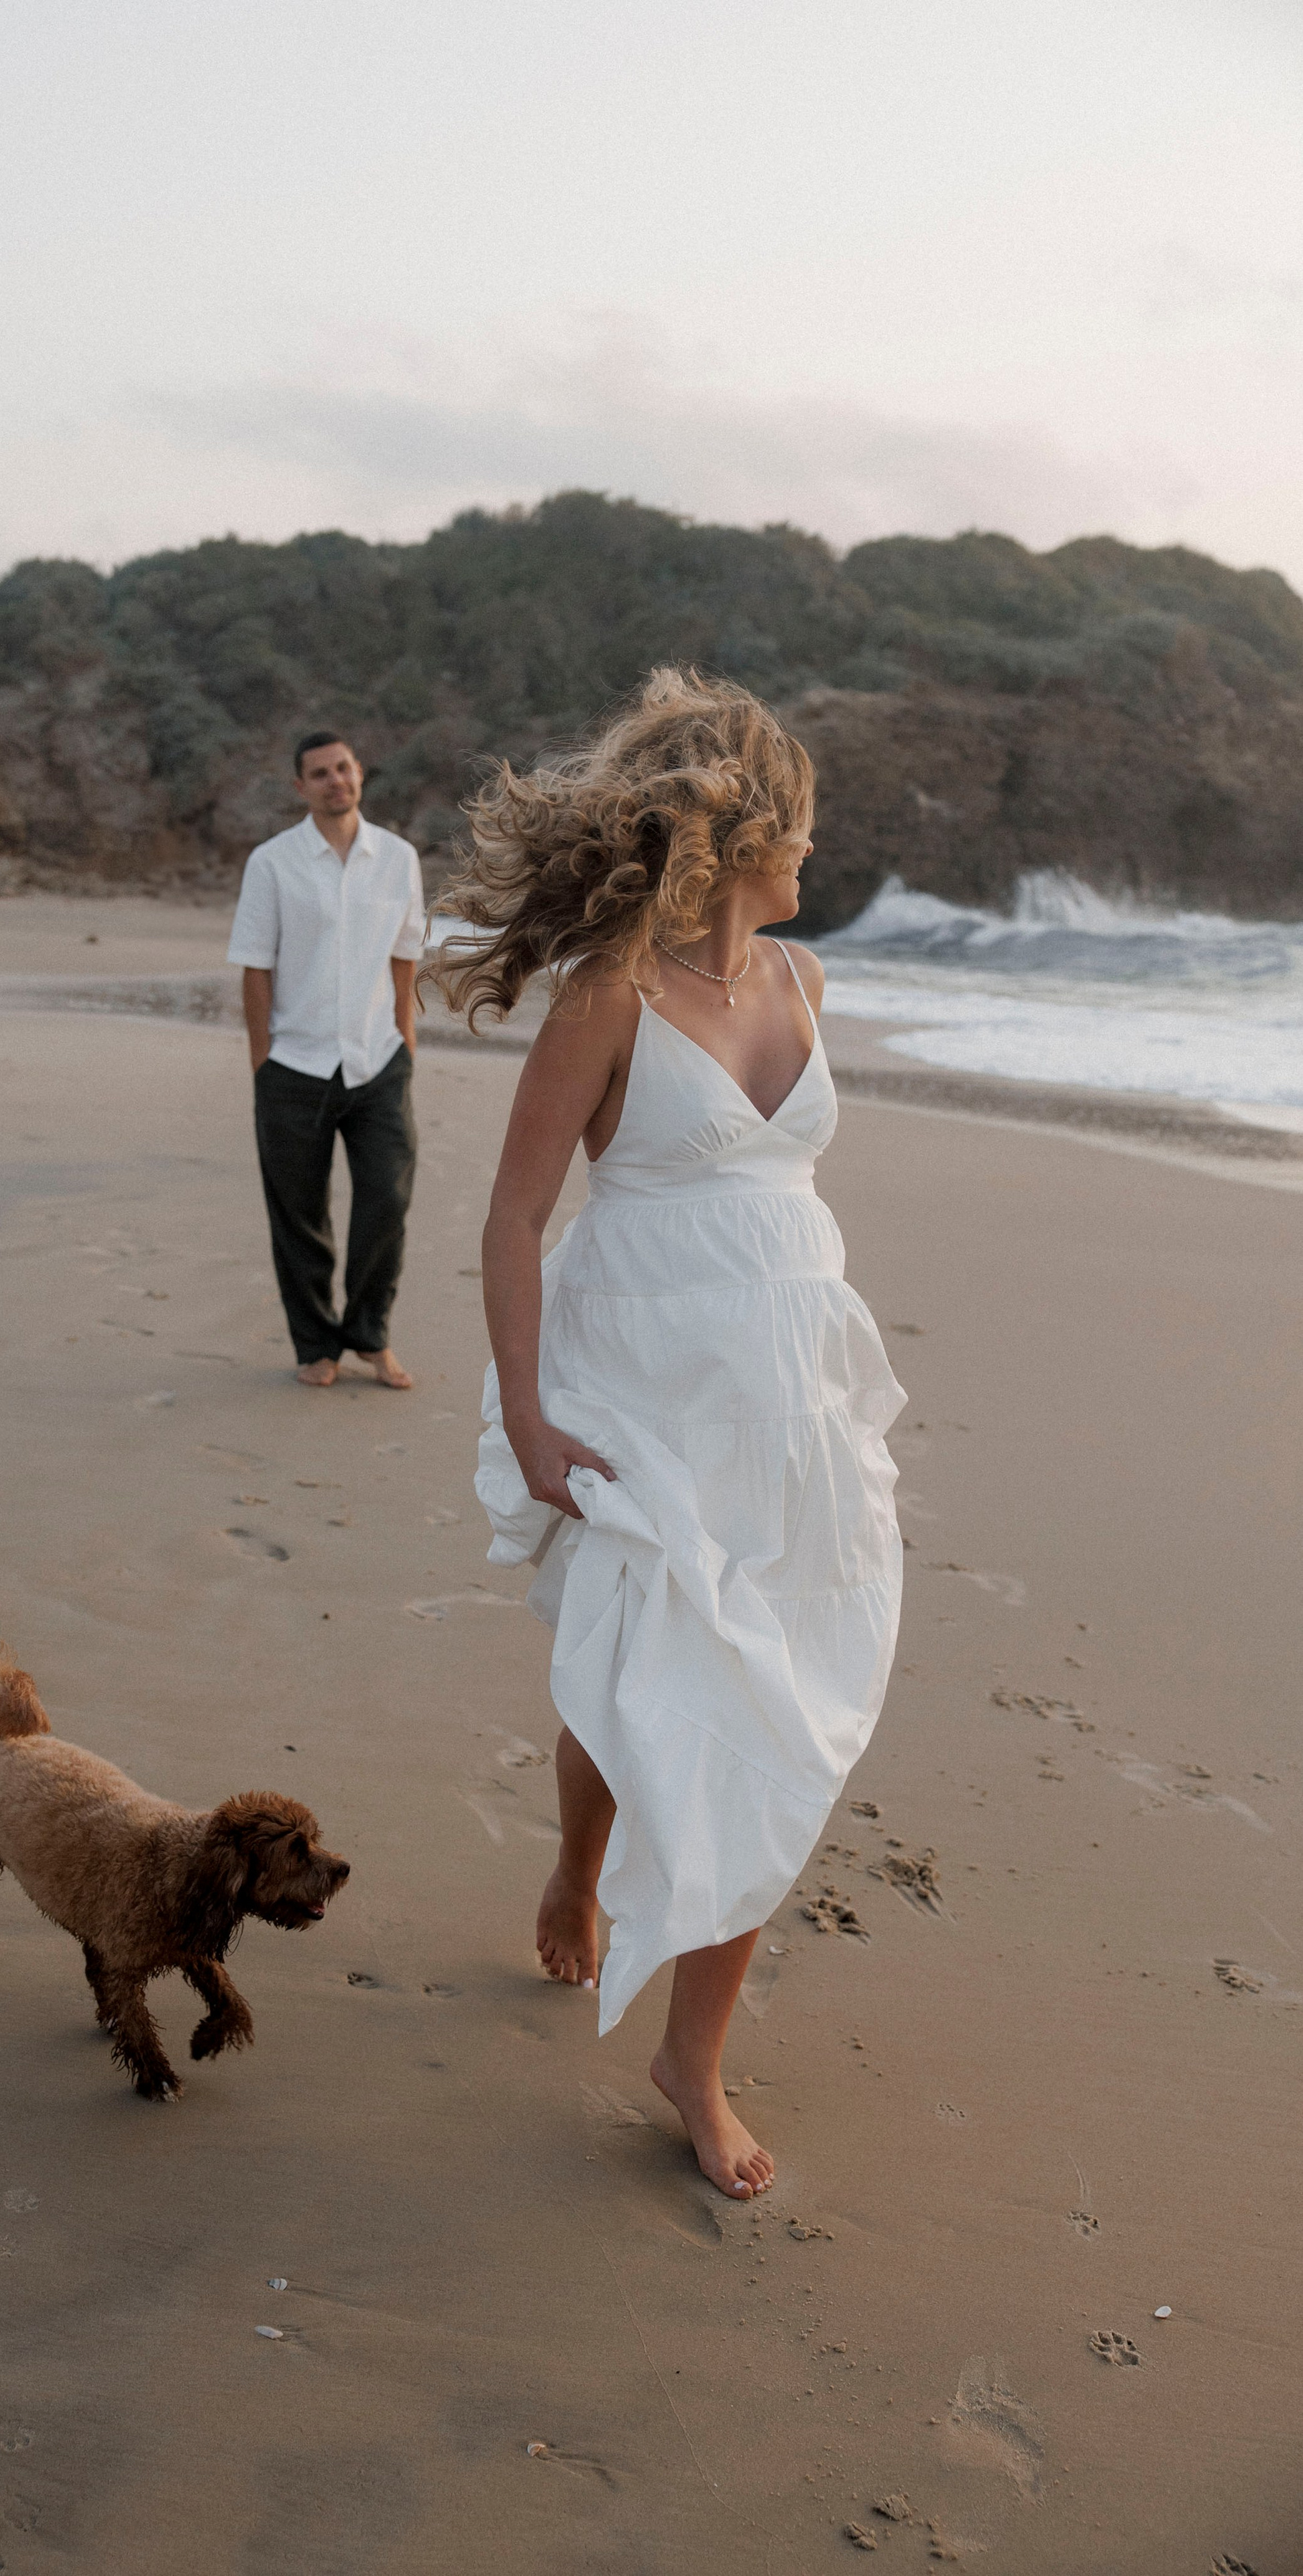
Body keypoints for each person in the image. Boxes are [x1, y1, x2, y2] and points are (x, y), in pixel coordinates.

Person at [438, 668, 904, 2200]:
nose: (814, 862)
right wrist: (523, 1409)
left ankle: (639, 1970)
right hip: (635, 1386)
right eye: (803, 833)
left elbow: (782, 1201)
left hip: (794, 1404)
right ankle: (642, 1973)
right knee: (670, 1681)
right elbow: (512, 1214)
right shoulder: (607, 993)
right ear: (739, 834)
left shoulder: (800, 986)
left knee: (766, 1707)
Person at [227, 732, 427, 1390]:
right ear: (301, 787)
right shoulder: (273, 863)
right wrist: (263, 1061)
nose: (334, 781)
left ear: (359, 774)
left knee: (385, 1201)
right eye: (319, 774)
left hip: (378, 1061)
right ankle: (315, 1344)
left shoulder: (397, 859)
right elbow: (256, 966)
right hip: (294, 1064)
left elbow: (405, 958)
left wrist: (406, 1036)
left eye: (342, 768)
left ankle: (369, 1335)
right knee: (298, 1213)